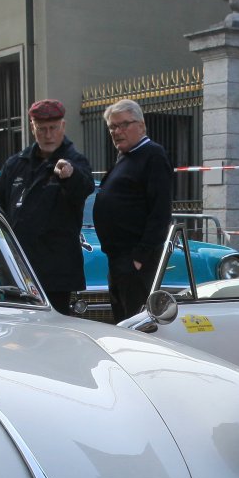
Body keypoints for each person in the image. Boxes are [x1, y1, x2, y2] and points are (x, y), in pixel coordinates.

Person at [0, 99, 93, 315]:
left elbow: (84, 187)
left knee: (52, 329)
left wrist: (69, 175)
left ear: (63, 126)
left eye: (53, 128)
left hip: (54, 273)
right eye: (42, 129)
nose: (48, 135)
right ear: (32, 128)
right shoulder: (17, 163)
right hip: (17, 268)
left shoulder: (74, 161)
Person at [92, 98, 173, 321]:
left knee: (136, 323)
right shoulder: (126, 157)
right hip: (119, 259)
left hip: (135, 261)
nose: (117, 132)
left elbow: (160, 211)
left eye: (124, 125)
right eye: (112, 127)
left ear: (141, 125)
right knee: (122, 321)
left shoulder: (153, 155)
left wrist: (140, 257)